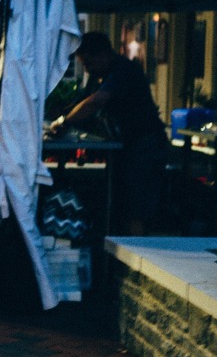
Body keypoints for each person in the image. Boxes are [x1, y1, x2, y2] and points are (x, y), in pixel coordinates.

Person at [48, 31, 169, 235]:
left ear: (103, 54)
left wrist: (66, 121)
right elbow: (84, 100)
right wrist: (62, 114)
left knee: (135, 205)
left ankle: (136, 255)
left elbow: (96, 101)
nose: (87, 69)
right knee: (122, 202)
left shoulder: (124, 70)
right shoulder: (100, 75)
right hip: (129, 145)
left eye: (88, 63)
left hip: (145, 145)